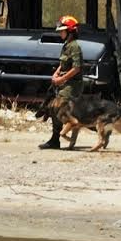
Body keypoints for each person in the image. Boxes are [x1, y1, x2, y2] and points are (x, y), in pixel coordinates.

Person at [39, 15, 84, 149]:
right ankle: (55, 139)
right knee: (53, 108)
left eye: (62, 30)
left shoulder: (75, 46)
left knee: (58, 108)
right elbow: (63, 63)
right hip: (64, 83)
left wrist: (61, 79)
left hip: (72, 85)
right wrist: (56, 74)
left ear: (70, 31)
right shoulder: (67, 45)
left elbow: (77, 68)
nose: (60, 32)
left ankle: (80, 123)